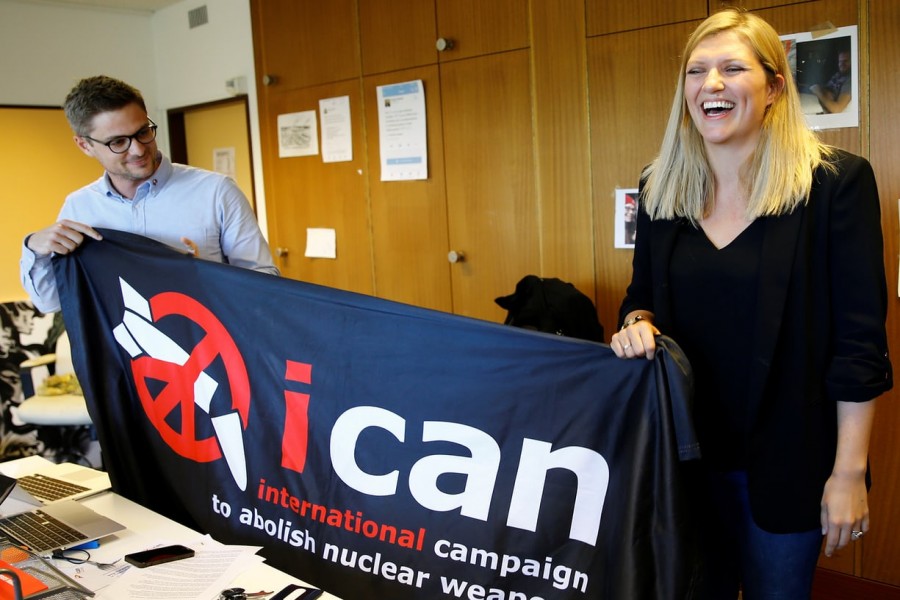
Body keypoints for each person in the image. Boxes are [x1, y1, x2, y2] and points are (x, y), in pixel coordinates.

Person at [610, 9, 891, 600]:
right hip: (682, 465)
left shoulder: (835, 185)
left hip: (789, 466)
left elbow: (858, 346)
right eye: (696, 71)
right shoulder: (660, 186)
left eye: (732, 68)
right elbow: (639, 301)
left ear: (775, 88)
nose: (710, 84)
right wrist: (634, 325)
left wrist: (848, 473)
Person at [20, 75, 279, 314]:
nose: (138, 150)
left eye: (143, 132)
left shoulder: (216, 192)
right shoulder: (79, 207)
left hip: (208, 354)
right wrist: (35, 250)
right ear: (85, 145)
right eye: (118, 142)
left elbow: (268, 284)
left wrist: (206, 277)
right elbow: (51, 303)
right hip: (123, 360)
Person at [809, 49, 852, 114]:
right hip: (817, 98)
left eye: (845, 61)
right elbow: (827, 88)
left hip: (821, 106)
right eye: (840, 61)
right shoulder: (838, 75)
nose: (842, 64)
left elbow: (837, 109)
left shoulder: (850, 81)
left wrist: (818, 92)